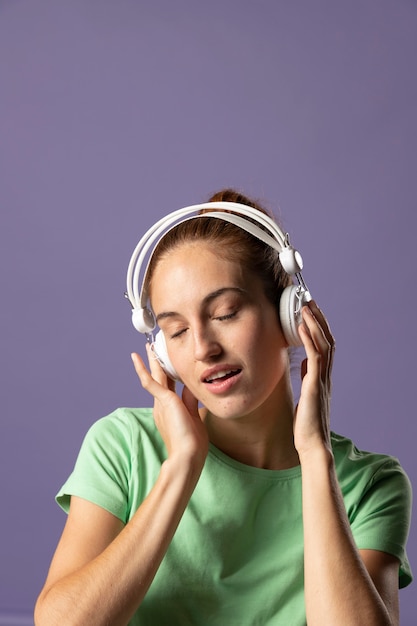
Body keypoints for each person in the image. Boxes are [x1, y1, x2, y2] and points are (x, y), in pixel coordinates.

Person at [35, 188, 412, 626]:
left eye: (226, 313)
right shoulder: (122, 446)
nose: (202, 349)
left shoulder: (370, 485)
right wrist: (182, 466)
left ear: (290, 316)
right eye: (175, 331)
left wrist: (314, 456)